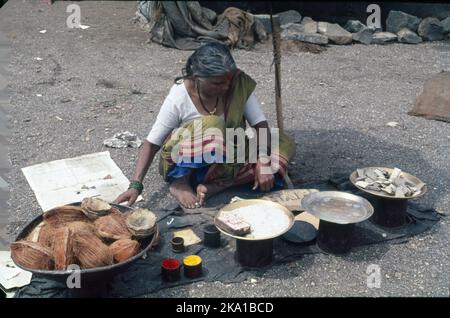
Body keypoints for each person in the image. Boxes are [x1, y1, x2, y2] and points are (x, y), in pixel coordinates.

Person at [114, 42, 295, 209]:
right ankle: (180, 183)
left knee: (281, 141)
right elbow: (152, 143)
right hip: (186, 163)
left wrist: (263, 161)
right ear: (197, 77)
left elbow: (260, 125)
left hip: (227, 158)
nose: (225, 88)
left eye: (228, 81)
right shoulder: (179, 96)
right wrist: (136, 185)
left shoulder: (238, 85)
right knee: (212, 124)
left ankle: (216, 185)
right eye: (217, 83)